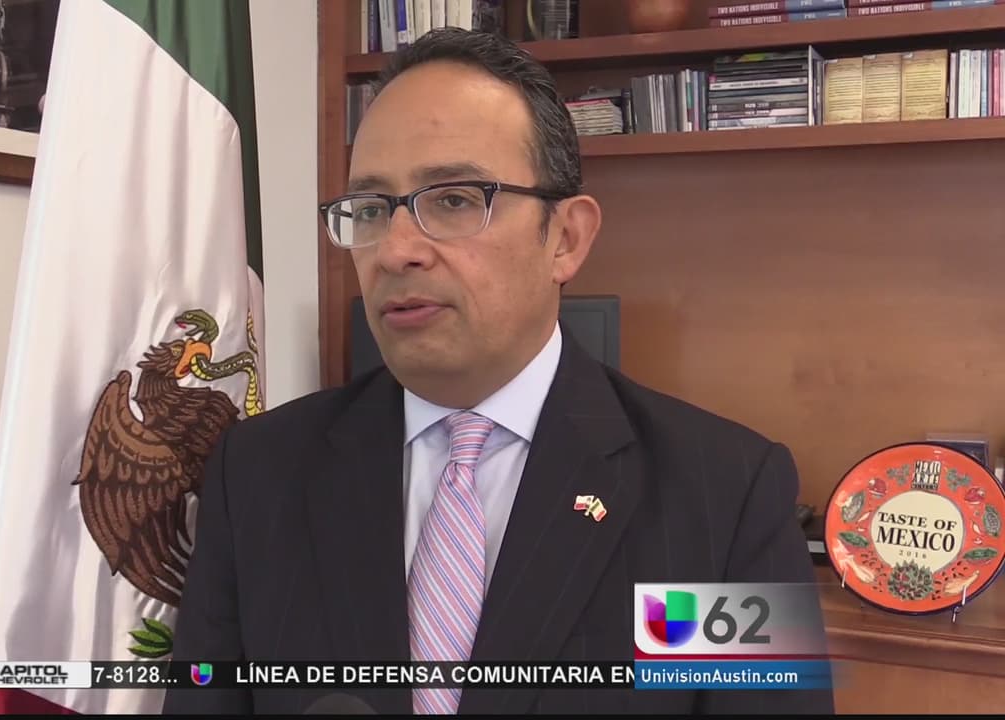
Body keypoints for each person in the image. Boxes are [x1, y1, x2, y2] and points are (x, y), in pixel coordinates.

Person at [163, 27, 833, 716]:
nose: (395, 250)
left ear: (566, 239)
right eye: (370, 210)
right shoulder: (259, 473)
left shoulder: (725, 496)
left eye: (453, 199)